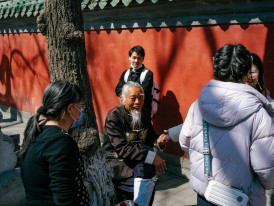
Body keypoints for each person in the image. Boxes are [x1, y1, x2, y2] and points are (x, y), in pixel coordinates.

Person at [179, 44, 274, 205]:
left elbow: (185, 141)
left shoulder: (198, 105)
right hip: (242, 198)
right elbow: (266, 167)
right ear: (245, 72)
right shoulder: (258, 115)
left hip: (206, 194)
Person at [18, 80, 90, 206]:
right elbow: (63, 197)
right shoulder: (61, 143)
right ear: (70, 108)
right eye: (80, 106)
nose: (81, 110)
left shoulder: (38, 129)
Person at [103, 81, 167, 205]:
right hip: (120, 167)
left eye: (141, 98)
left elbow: (149, 137)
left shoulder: (144, 113)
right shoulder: (114, 117)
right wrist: (152, 157)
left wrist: (159, 140)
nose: (138, 102)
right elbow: (122, 148)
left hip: (139, 164)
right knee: (136, 195)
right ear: (122, 99)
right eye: (133, 98)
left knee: (149, 186)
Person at [115, 45, 154, 112]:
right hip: (127, 110)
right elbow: (118, 90)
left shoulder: (148, 74)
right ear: (129, 58)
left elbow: (144, 92)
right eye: (134, 58)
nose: (136, 61)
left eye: (139, 58)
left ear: (143, 59)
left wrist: (128, 95)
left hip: (143, 111)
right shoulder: (125, 74)